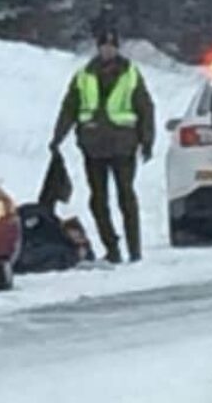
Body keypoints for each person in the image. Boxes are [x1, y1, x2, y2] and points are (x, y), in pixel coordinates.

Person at [49, 29, 155, 263]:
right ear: (98, 48)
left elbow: (145, 108)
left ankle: (134, 250)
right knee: (98, 199)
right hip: (93, 145)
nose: (108, 50)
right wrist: (58, 136)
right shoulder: (84, 75)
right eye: (104, 46)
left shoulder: (131, 74)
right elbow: (69, 108)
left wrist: (147, 140)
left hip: (123, 145)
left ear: (117, 49)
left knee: (126, 197)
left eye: (112, 46)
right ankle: (112, 248)